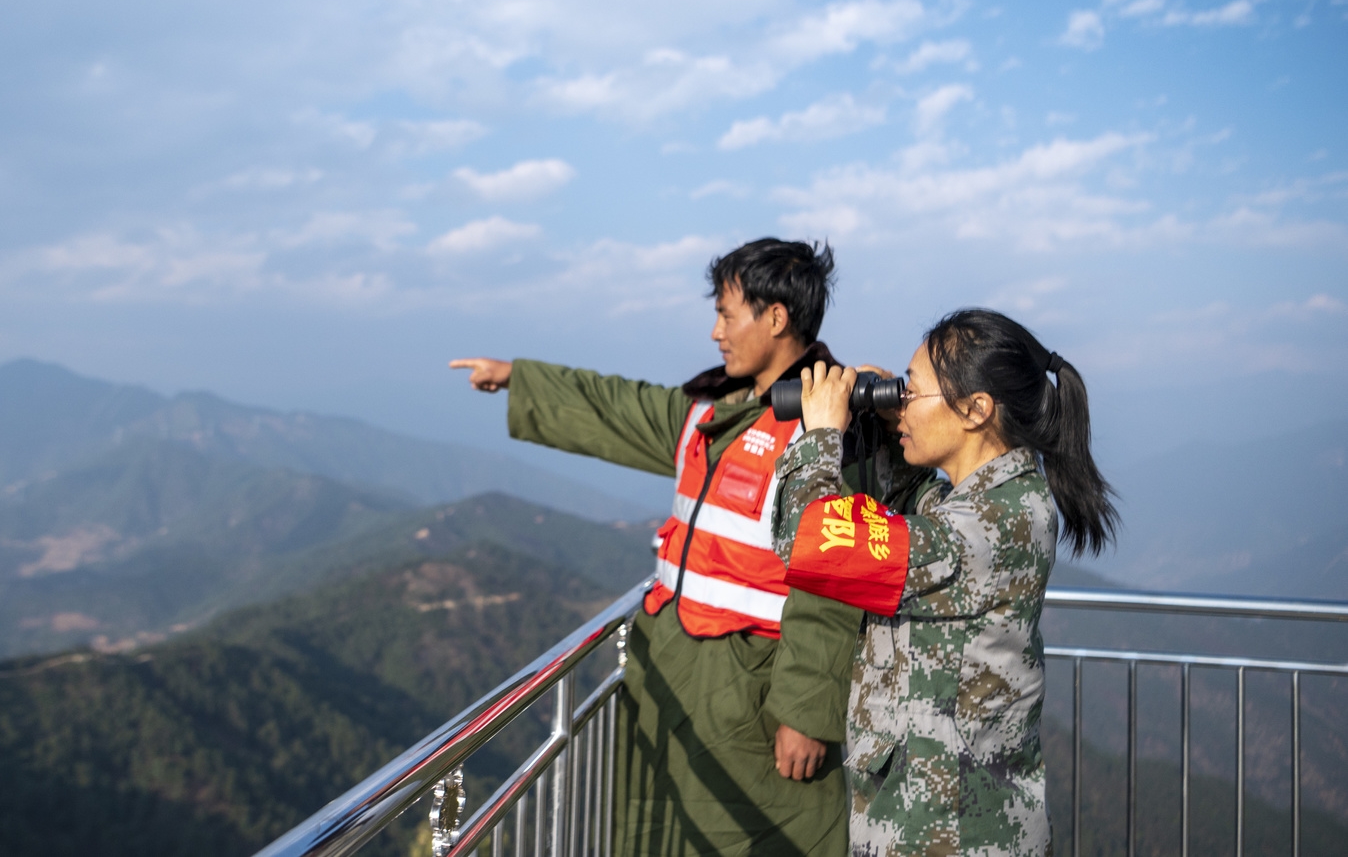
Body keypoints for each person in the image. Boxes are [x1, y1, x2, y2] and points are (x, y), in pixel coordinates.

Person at [452, 239, 915, 857]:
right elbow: (619, 407)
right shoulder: (713, 415)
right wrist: (519, 380)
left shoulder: (828, 430)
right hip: (681, 679)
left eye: (727, 314)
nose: (716, 332)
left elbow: (837, 577)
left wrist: (807, 710)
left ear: (775, 319)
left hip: (755, 698)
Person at [770, 308, 1118, 857]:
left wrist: (819, 435)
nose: (901, 402)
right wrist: (885, 432)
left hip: (949, 834)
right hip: (934, 824)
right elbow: (909, 518)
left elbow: (813, 543)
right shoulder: (993, 500)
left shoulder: (989, 524)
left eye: (913, 392)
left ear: (976, 410)